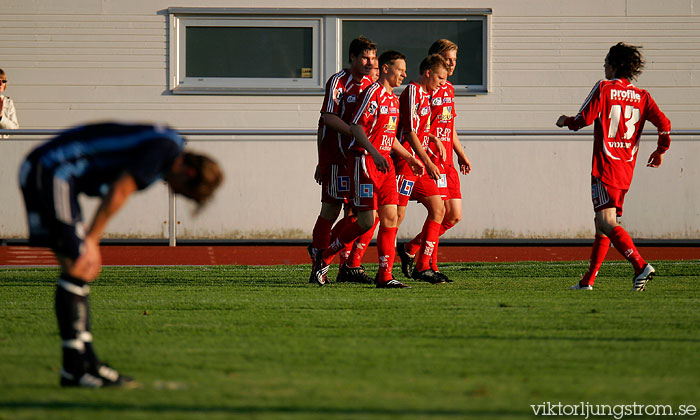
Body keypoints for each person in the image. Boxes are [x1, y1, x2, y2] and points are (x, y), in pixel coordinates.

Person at [19, 122, 223, 387]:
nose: (178, 193)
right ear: (189, 171)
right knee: (78, 265)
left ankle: (84, 362)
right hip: (51, 171)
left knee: (80, 269)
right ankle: (76, 367)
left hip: (55, 174)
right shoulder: (164, 150)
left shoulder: (168, 147)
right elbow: (120, 190)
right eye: (186, 190)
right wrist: (92, 239)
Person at [556, 42, 671, 291]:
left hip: (605, 168)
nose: (604, 67)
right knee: (602, 225)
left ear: (615, 65)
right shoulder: (643, 97)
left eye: (606, 62)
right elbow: (665, 123)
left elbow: (583, 119)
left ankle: (640, 266)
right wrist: (661, 150)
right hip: (625, 170)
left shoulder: (604, 87)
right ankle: (588, 281)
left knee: (607, 222)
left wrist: (566, 121)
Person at [311, 51, 424, 288]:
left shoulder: (394, 99)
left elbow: (389, 137)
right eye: (400, 69)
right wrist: (373, 153)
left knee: (390, 218)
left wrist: (409, 157)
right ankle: (326, 255)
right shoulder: (372, 93)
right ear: (385, 68)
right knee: (365, 221)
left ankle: (385, 276)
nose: (404, 74)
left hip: (385, 165)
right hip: (364, 162)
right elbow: (356, 127)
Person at [397, 39, 472, 281]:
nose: (452, 64)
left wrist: (460, 154)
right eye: (448, 59)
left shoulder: (447, 88)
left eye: (454, 60)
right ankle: (428, 265)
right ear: (434, 61)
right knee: (437, 211)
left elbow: (449, 127)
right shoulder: (423, 89)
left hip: (447, 158)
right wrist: (428, 151)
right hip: (428, 157)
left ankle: (412, 249)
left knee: (454, 215)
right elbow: (417, 126)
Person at [310, 36, 377, 284]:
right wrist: (353, 132)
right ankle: (318, 259)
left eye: (372, 58)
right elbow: (327, 119)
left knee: (357, 213)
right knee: (331, 209)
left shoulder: (372, 84)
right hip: (338, 157)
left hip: (359, 158)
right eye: (364, 57)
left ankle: (344, 267)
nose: (369, 62)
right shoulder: (339, 82)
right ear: (352, 58)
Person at [395, 54, 450, 284]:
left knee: (439, 209)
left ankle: (423, 266)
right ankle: (350, 262)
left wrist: (433, 138)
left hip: (418, 165)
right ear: (428, 72)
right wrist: (427, 161)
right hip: (405, 164)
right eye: (440, 76)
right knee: (391, 217)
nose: (442, 82)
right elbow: (408, 131)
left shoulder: (426, 95)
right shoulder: (412, 91)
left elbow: (419, 128)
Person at [0, 68, 20, 137]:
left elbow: (14, 129)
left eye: (4, 81)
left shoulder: (8, 102)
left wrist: (1, 118)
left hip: (3, 145)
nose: (1, 84)